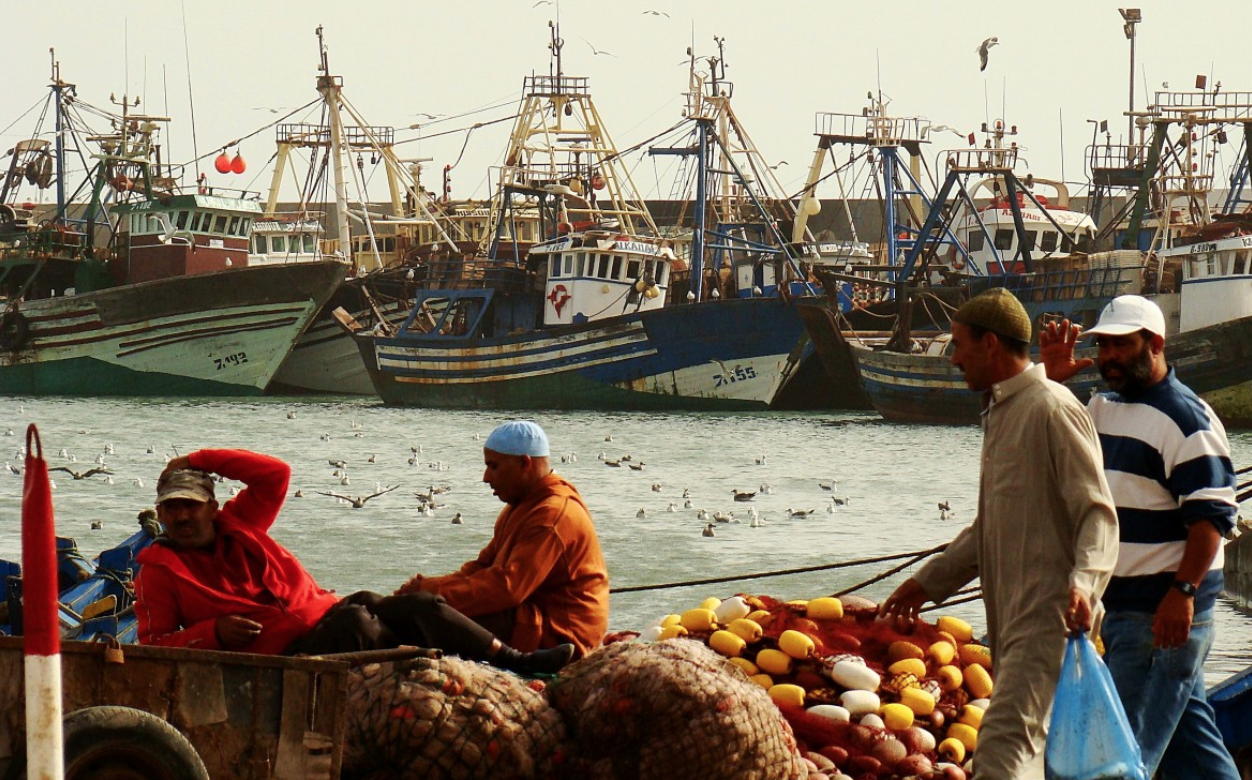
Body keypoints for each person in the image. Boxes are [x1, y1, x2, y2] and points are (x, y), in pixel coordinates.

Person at [879, 288, 1119, 780]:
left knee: (1001, 751)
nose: (952, 359)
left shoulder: (1052, 408)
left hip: (1048, 619)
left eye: (958, 344)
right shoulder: (1002, 412)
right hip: (1009, 621)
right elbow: (988, 527)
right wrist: (928, 582)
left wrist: (1085, 586)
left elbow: (1098, 514)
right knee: (1024, 754)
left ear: (990, 343)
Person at [133, 448, 574, 675]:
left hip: (328, 612)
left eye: (191, 505)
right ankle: (424, 662)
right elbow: (151, 646)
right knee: (361, 626)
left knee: (422, 603)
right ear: (161, 512)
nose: (182, 516)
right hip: (284, 654)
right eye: (171, 508)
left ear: (212, 507)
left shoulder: (242, 523)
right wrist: (215, 632)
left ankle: (518, 660)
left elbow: (276, 473)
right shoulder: (158, 568)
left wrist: (198, 459)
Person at [1041, 294, 1240, 779]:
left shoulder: (1186, 419)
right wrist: (1049, 383)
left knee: (1116, 758)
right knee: (1193, 751)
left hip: (1161, 614)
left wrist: (1184, 593)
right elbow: (1048, 450)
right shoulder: (1102, 405)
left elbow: (1210, 518)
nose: (1108, 357)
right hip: (1123, 607)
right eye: (1104, 346)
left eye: (1120, 346)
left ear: (1153, 344)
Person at [397, 421, 609, 659]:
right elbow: (480, 569)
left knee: (430, 619)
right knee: (417, 610)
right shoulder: (519, 506)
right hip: (527, 614)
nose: (486, 477)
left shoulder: (552, 514)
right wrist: (424, 590)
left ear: (524, 463)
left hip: (561, 635)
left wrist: (429, 596)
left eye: (493, 467)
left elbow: (508, 589)